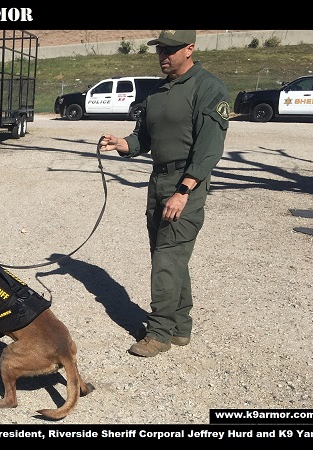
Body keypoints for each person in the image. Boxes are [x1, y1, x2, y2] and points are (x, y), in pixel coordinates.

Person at [98, 30, 230, 357]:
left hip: (186, 185)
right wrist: (122, 144)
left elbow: (209, 149)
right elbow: (144, 138)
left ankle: (159, 334)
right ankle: (181, 327)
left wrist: (184, 190)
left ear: (190, 49)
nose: (164, 56)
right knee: (167, 257)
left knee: (167, 260)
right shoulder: (158, 91)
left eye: (171, 50)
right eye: (161, 50)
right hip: (158, 183)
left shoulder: (208, 88)